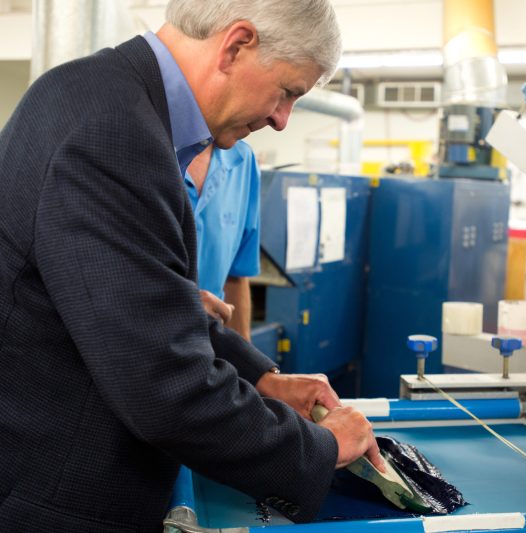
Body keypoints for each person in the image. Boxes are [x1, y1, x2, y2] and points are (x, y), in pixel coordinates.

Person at [0, 1, 385, 531]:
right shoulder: (114, 134)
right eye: (289, 92)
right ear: (236, 45)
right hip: (55, 496)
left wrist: (260, 378)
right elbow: (163, 383)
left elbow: (142, 301)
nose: (281, 119)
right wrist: (320, 447)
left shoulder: (102, 100)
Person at [188, 141, 260, 340]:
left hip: (210, 347)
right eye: (277, 106)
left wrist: (248, 366)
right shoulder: (146, 144)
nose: (280, 123)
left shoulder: (243, 159)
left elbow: (235, 275)